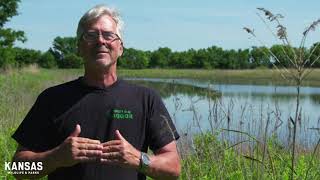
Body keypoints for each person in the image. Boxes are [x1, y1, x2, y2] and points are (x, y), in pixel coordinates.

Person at [11, 4, 181, 180]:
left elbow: (174, 168)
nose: (101, 41)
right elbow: (16, 169)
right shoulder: (51, 99)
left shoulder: (146, 99)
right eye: (91, 35)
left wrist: (137, 159)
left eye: (109, 35)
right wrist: (56, 157)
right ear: (79, 48)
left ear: (120, 48)